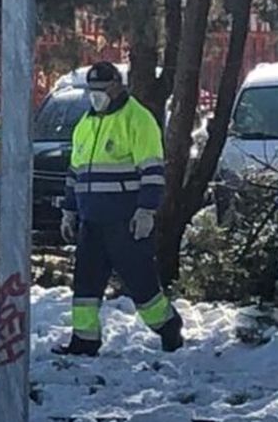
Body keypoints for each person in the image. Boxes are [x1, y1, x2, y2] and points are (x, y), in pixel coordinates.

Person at [55, 61, 183, 355]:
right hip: (92, 220)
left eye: (102, 89)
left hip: (124, 220)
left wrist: (146, 211)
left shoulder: (137, 119)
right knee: (85, 283)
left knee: (141, 283)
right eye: (92, 89)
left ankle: (167, 325)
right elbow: (75, 173)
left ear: (117, 87)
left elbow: (152, 169)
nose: (96, 95)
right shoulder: (85, 124)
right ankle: (84, 339)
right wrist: (69, 210)